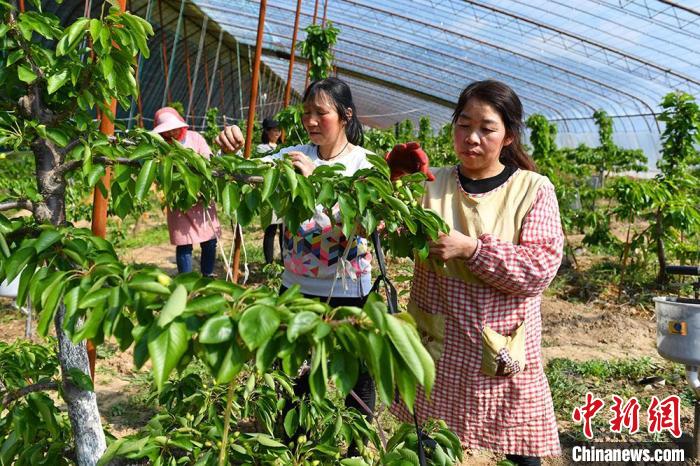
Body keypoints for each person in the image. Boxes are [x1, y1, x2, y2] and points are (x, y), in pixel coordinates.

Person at [387, 80, 563, 466]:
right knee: (427, 441)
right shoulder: (435, 186)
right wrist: (389, 182)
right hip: (440, 336)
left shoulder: (532, 189)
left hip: (501, 342)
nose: (472, 138)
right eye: (464, 125)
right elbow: (383, 231)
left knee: (521, 445)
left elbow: (539, 268)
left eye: (486, 128)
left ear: (509, 137)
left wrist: (472, 248)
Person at [215, 77, 376, 437]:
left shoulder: (366, 164)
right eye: (306, 113)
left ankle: (354, 447)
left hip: (349, 292)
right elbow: (245, 172)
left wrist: (319, 179)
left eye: (322, 113)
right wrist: (230, 151)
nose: (312, 121)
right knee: (291, 373)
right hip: (296, 289)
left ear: (346, 116)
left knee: (356, 375)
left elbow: (368, 226)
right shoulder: (293, 156)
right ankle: (290, 444)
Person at [153, 107, 221, 277]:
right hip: (179, 202)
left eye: (174, 128)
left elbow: (208, 159)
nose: (172, 133)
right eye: (167, 131)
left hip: (201, 198)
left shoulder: (195, 138)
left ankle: (207, 274)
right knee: (184, 243)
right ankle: (186, 279)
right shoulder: (160, 148)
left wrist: (200, 183)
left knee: (209, 241)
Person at [257, 118, 284, 264]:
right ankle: (269, 263)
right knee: (271, 229)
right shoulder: (262, 149)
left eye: (279, 130)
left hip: (283, 193)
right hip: (271, 193)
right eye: (274, 130)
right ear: (267, 131)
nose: (277, 133)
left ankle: (284, 260)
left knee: (284, 230)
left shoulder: (284, 147)